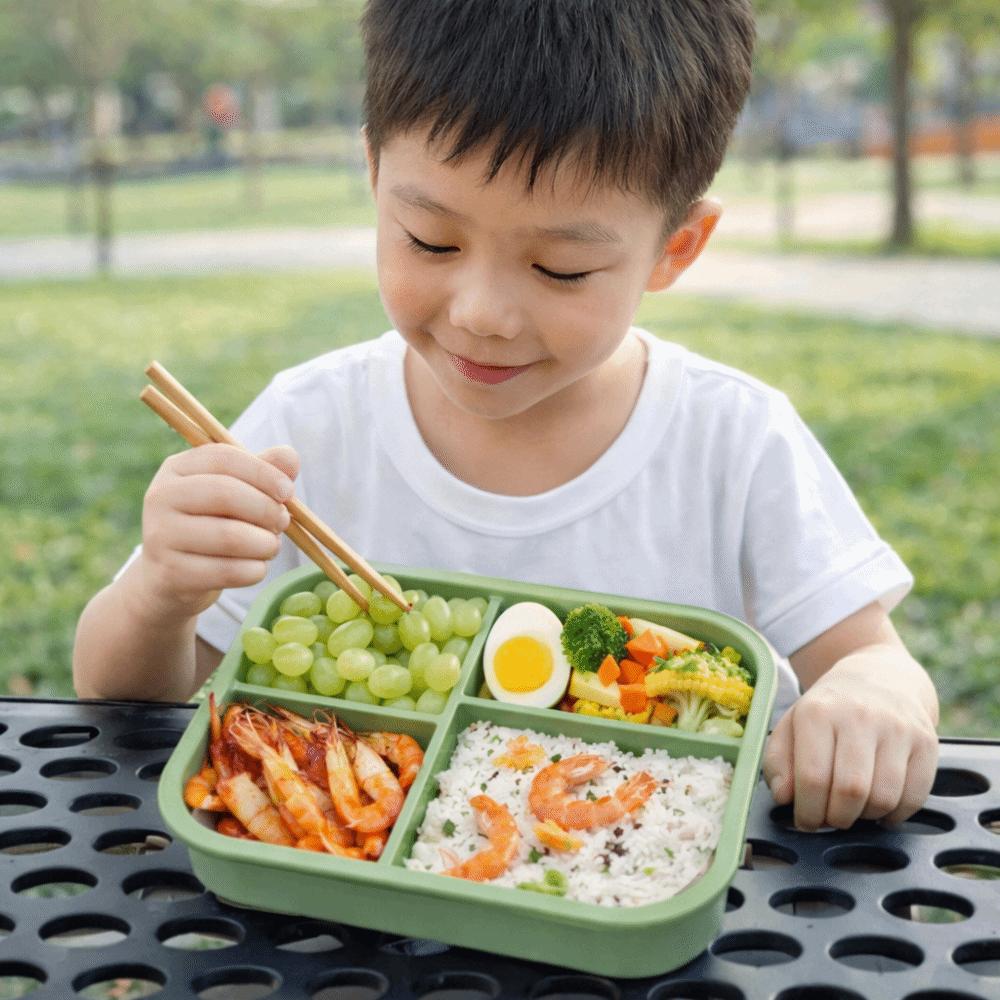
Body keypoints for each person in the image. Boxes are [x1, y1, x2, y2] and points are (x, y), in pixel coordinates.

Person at [73, 0, 939, 834]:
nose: (483, 312)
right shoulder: (308, 424)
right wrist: (160, 592)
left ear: (674, 248)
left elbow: (872, 657)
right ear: (374, 174)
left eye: (561, 268)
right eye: (430, 241)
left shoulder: (735, 439)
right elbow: (122, 699)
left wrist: (874, 697)